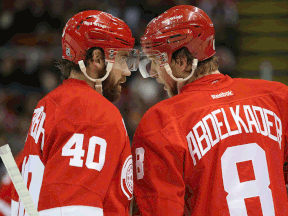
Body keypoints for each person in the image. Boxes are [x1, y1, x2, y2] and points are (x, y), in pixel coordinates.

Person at [132, 5, 288, 216]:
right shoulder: (277, 97)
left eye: (156, 61)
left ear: (182, 62)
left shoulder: (162, 120)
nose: (153, 73)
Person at [11, 10, 136, 216]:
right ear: (96, 58)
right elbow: (69, 209)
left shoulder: (49, 103)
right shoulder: (94, 112)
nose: (127, 71)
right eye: (122, 59)